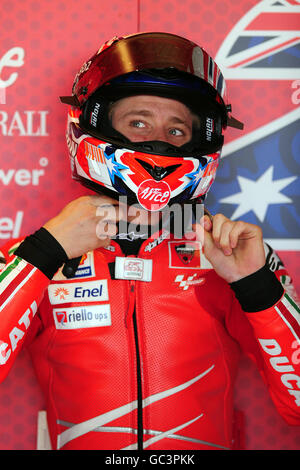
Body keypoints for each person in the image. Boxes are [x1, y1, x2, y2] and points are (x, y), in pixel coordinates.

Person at [0, 32, 299, 451]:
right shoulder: (32, 256)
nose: (157, 140)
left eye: (177, 129)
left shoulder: (232, 254)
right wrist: (44, 253)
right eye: (137, 122)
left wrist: (254, 285)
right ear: (97, 123)